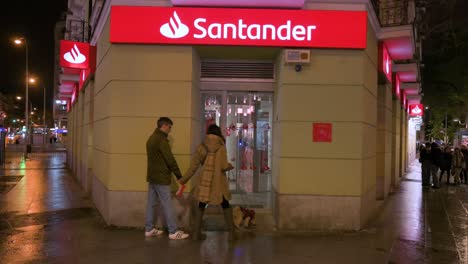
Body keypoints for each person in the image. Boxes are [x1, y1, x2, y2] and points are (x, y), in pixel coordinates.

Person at [180, 124, 237, 241]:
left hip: (205, 182)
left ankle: (196, 234)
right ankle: (232, 235)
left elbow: (193, 167)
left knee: (201, 205)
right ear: (218, 133)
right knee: (225, 204)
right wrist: (229, 166)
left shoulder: (202, 146)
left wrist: (183, 180)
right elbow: (223, 166)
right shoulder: (221, 146)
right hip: (218, 182)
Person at [145, 117, 189, 240]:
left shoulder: (151, 138)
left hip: (152, 176)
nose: (170, 130)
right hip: (161, 177)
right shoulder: (161, 140)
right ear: (164, 126)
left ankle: (149, 229)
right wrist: (179, 176)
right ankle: (173, 231)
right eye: (170, 127)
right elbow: (170, 159)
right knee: (167, 204)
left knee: (151, 204)